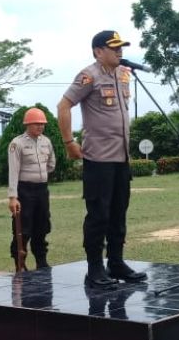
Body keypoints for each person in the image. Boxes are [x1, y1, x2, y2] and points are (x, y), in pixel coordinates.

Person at [58, 30, 147, 288]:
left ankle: (116, 263)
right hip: (98, 159)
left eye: (122, 48)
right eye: (114, 47)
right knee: (99, 215)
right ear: (98, 51)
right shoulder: (89, 76)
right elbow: (63, 106)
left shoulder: (123, 74)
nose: (120, 52)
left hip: (121, 157)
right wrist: (68, 142)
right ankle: (95, 268)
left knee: (119, 212)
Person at [8, 107, 56, 270]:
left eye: (42, 124)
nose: (40, 127)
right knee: (23, 228)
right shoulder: (17, 143)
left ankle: (41, 260)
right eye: (37, 124)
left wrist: (39, 175)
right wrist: (13, 197)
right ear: (27, 124)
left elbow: (51, 164)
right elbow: (13, 171)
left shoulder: (46, 141)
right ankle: (19, 261)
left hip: (42, 190)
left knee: (42, 226)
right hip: (24, 191)